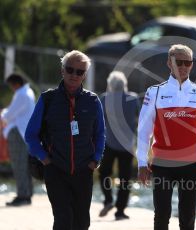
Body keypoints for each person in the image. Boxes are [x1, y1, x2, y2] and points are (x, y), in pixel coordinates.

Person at [137, 44, 196, 230]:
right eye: (178, 62)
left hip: (192, 164)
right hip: (162, 163)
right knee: (162, 214)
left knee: (187, 215)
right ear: (169, 63)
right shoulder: (154, 92)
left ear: (191, 65)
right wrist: (142, 163)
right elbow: (144, 131)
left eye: (187, 62)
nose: (183, 66)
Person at [25, 50, 105, 230]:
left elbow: (100, 133)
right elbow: (30, 134)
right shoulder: (48, 99)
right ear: (62, 71)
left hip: (84, 169)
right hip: (55, 169)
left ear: (84, 75)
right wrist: (44, 158)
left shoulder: (93, 101)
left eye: (79, 71)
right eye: (70, 69)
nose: (74, 75)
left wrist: (95, 160)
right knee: (63, 219)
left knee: (82, 222)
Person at [98, 71, 139, 220]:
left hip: (109, 142)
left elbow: (100, 121)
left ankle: (108, 199)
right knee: (125, 179)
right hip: (127, 144)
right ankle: (120, 211)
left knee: (104, 173)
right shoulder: (133, 98)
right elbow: (138, 118)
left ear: (110, 84)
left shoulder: (104, 98)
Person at [1, 73, 35, 206]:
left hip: (17, 133)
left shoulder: (21, 94)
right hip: (24, 133)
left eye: (11, 85)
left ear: (16, 84)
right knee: (25, 164)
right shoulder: (28, 91)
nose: (11, 88)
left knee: (18, 164)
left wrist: (2, 115)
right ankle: (27, 193)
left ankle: (23, 195)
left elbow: (9, 114)